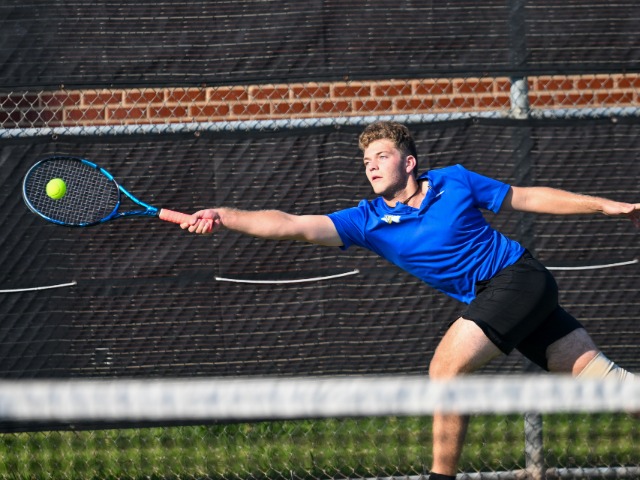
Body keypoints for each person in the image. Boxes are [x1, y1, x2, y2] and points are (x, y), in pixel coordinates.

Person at [181, 121, 639, 480]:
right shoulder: (367, 220)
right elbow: (290, 224)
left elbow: (526, 196)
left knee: (445, 370)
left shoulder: (455, 182)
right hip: (501, 294)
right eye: (366, 160)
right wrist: (224, 215)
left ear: (410, 162)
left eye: (382, 155)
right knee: (604, 379)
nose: (373, 165)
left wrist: (603, 205)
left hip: (518, 277)